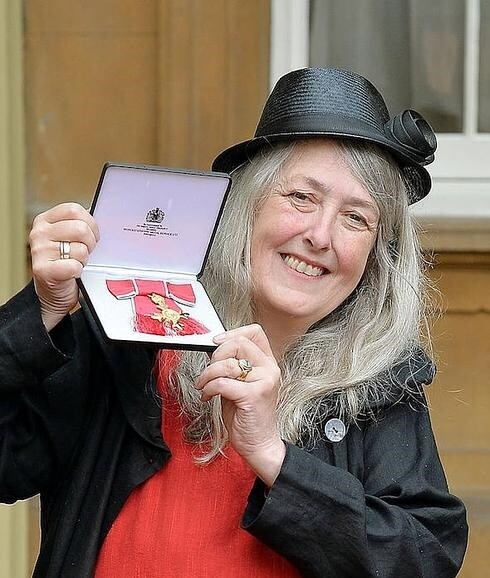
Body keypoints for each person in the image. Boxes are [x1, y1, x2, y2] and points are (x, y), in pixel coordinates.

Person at [0, 67, 468, 577]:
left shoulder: (381, 385)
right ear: (247, 207)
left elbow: (425, 560)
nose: (320, 235)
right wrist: (41, 312)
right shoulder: (129, 335)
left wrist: (273, 456)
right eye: (301, 197)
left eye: (356, 217)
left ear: (376, 255)